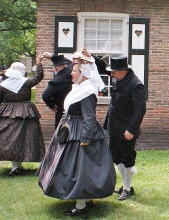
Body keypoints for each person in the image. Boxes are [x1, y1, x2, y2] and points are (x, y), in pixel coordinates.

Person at [37, 51, 116, 216]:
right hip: (70, 128)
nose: (71, 73)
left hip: (80, 133)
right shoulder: (79, 88)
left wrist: (85, 138)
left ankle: (81, 205)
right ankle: (85, 199)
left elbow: (89, 117)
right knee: (72, 167)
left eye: (74, 71)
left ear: (83, 74)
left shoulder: (87, 91)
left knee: (80, 169)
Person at [84, 48, 147, 201]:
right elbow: (103, 66)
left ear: (123, 70)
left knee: (127, 157)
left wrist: (131, 129)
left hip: (127, 128)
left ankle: (127, 188)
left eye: (113, 71)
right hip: (114, 124)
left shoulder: (135, 84)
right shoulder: (117, 77)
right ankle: (127, 186)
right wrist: (91, 56)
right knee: (115, 155)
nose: (110, 74)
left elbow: (140, 110)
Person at [0, 57, 45, 175]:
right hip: (25, 112)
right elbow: (39, 76)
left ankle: (16, 167)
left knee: (11, 139)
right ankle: (17, 166)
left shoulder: (4, 84)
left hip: (8, 111)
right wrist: (39, 63)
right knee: (25, 138)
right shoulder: (26, 82)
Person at [42, 53, 73, 128]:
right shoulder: (72, 71)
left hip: (61, 110)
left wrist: (52, 106)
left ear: (55, 68)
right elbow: (70, 62)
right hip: (75, 110)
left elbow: (45, 95)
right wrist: (52, 57)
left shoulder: (56, 81)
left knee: (60, 134)